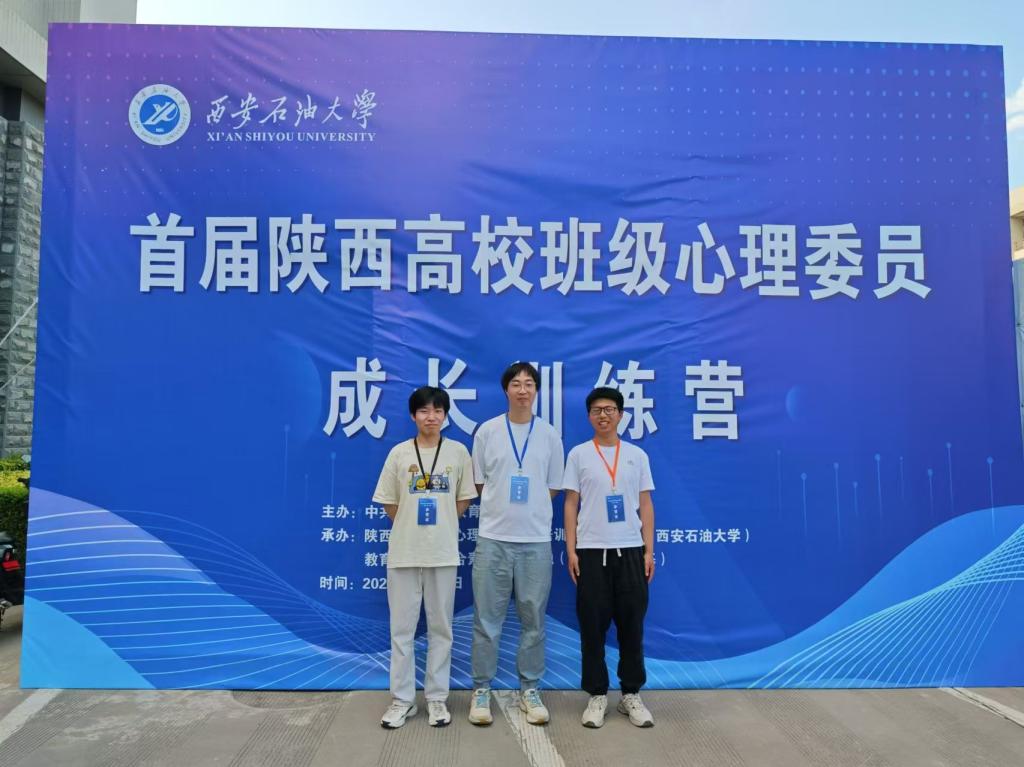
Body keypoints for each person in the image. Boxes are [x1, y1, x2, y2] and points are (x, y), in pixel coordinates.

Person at [373, 386, 476, 729]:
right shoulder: (400, 453)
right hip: (404, 553)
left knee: (441, 629)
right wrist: (411, 527)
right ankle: (403, 700)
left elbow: (463, 499)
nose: (431, 417)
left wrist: (441, 525)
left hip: (443, 553)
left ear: (445, 416)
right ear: (413, 415)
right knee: (401, 630)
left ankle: (436, 699)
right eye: (424, 411)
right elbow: (390, 503)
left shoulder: (458, 452)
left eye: (437, 411)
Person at [468, 362, 564, 726]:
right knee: (486, 620)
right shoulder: (488, 431)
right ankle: (481, 689)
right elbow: (480, 483)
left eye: (529, 384)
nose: (522, 390)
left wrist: (530, 508)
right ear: (506, 390)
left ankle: (530, 689)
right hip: (493, 539)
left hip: (535, 541)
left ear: (536, 390)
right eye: (516, 384)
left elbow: (553, 486)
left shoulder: (549, 435)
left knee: (533, 620)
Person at [562, 386, 656, 728]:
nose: (603, 415)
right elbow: (571, 503)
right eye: (597, 410)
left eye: (610, 409)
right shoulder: (578, 455)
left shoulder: (636, 455)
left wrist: (649, 550)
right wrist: (571, 549)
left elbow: (645, 504)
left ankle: (631, 694)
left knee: (632, 627)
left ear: (620, 414)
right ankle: (597, 695)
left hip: (630, 551)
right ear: (589, 416)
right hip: (591, 552)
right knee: (592, 628)